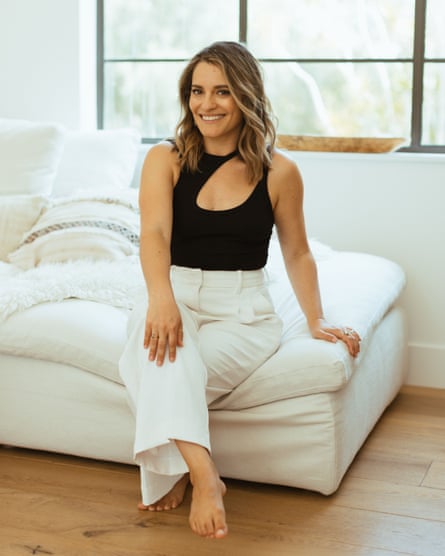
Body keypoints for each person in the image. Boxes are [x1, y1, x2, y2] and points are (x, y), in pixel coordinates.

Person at [118, 41, 361, 540]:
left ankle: (177, 473)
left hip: (244, 313)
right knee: (162, 353)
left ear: (246, 95)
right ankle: (207, 477)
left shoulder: (280, 172)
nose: (207, 104)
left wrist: (316, 320)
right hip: (174, 291)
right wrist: (161, 299)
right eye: (198, 91)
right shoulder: (163, 158)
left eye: (222, 91)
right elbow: (155, 235)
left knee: (154, 366)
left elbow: (297, 252)